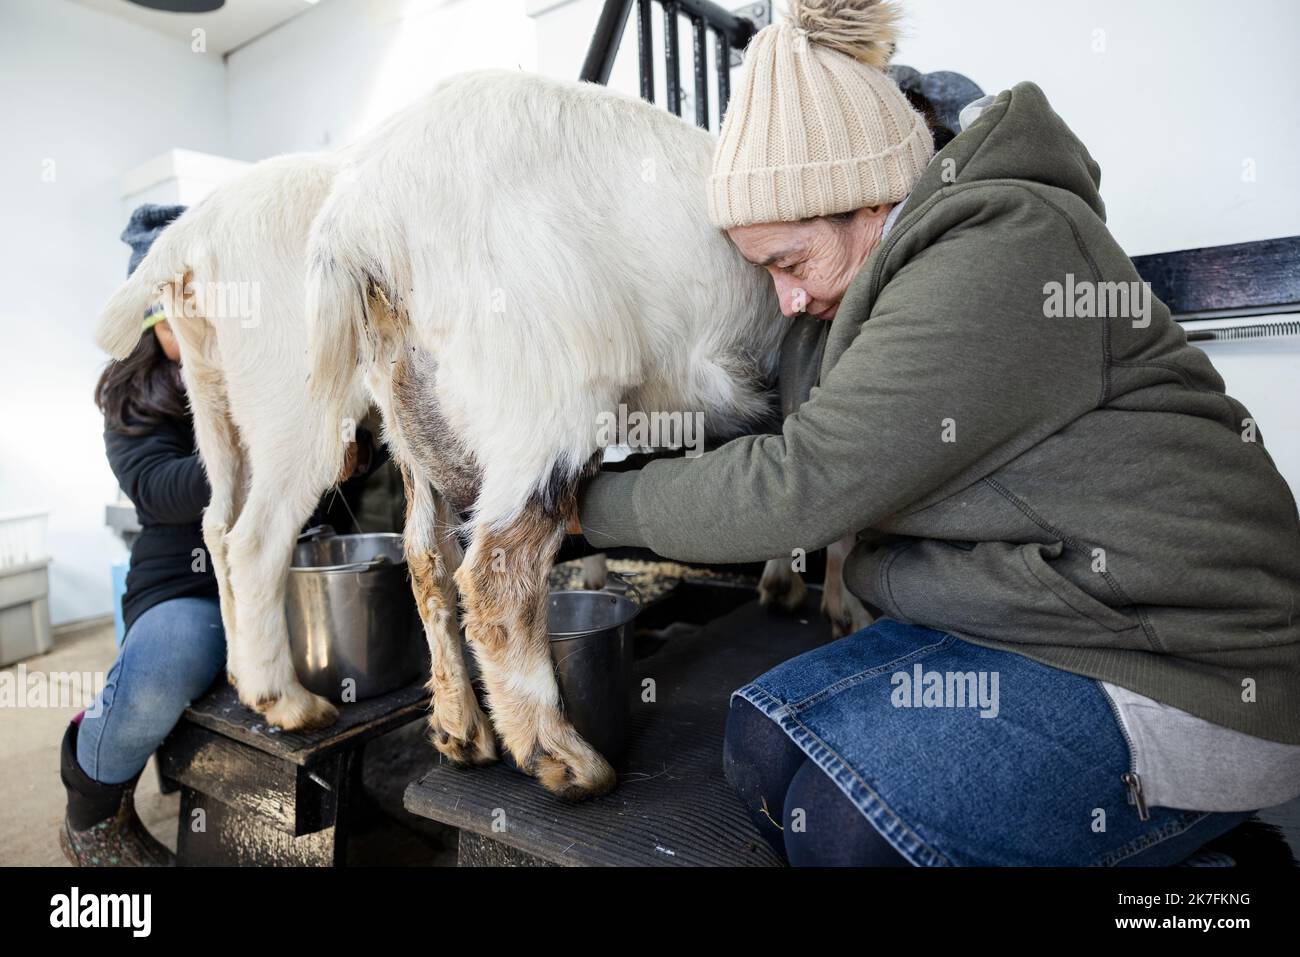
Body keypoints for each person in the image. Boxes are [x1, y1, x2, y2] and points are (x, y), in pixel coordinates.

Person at [571, 0, 1300, 865]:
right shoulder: (866, 288)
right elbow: (782, 430)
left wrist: (580, 504)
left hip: (1178, 661)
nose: (787, 301)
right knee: (761, 753)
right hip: (1022, 618)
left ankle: (1205, 887)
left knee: (849, 830)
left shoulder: (1002, 253)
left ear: (870, 203)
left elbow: (799, 482)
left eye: (790, 263)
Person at [61, 206, 390, 866]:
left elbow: (356, 452)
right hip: (188, 580)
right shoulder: (134, 396)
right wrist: (270, 456)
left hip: (291, 566)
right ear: (157, 314)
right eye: (184, 308)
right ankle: (92, 793)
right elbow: (156, 488)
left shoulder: (272, 353)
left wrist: (352, 448)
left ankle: (359, 790)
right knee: (174, 660)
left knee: (369, 652)